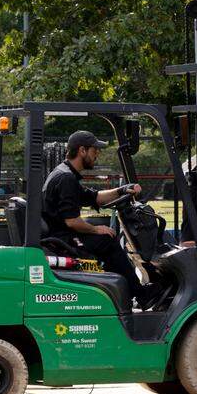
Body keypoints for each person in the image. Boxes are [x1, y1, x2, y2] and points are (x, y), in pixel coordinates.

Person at [42, 130, 148, 304]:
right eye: (94, 150)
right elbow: (72, 221)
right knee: (107, 241)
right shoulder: (66, 178)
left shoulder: (64, 173)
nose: (97, 153)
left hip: (60, 233)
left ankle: (125, 294)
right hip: (62, 239)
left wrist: (121, 190)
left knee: (105, 237)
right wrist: (96, 229)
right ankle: (141, 294)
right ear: (82, 150)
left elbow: (94, 197)